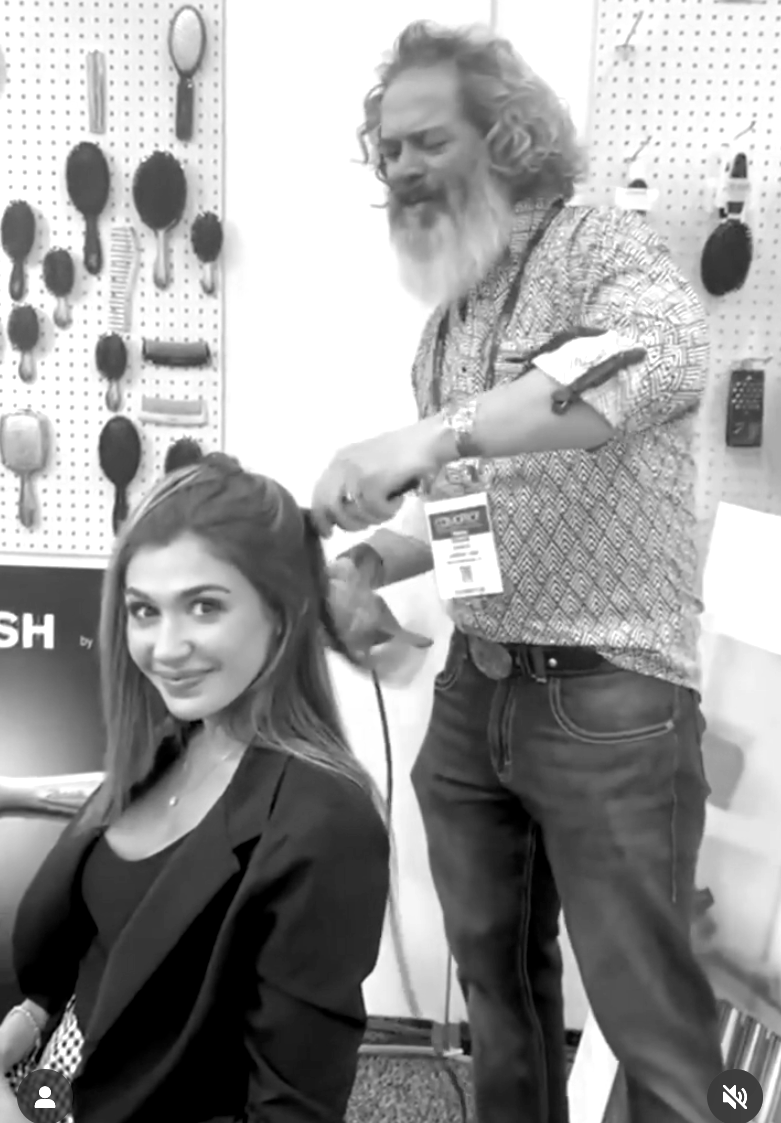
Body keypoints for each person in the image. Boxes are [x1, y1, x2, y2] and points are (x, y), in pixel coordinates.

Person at [316, 20, 723, 1123]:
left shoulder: (592, 244)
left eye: (423, 140)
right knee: (498, 999)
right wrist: (371, 560)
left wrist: (431, 437)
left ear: (506, 136)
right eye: (384, 149)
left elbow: (664, 352)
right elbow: (476, 516)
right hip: (475, 692)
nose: (397, 168)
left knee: (652, 1031)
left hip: (609, 696)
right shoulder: (445, 323)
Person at [0, 455, 390, 1123]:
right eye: (143, 611)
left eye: (203, 606)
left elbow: (288, 1114)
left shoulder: (325, 824)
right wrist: (29, 1030)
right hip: (49, 1087)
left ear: (282, 611)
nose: (165, 646)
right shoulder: (176, 743)